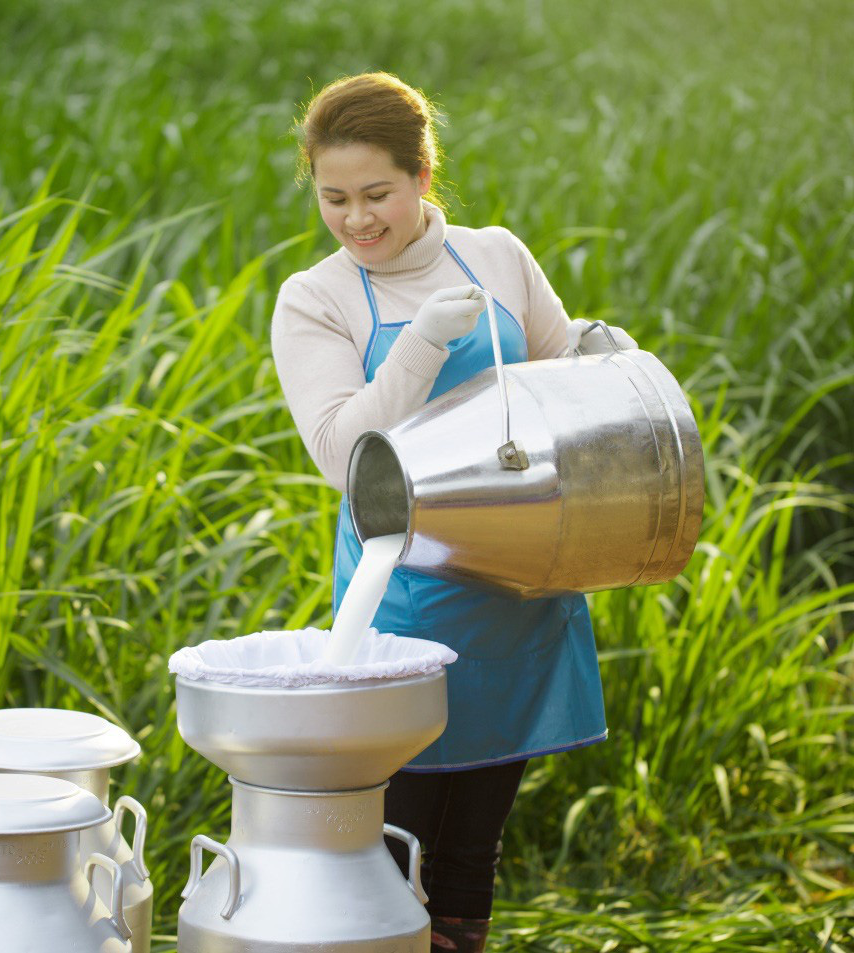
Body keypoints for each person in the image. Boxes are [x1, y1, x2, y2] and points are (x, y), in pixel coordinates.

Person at [270, 72, 638, 953]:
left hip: (515, 586)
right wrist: (423, 343)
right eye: (334, 198)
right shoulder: (314, 299)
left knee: (475, 845)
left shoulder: (497, 255)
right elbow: (340, 456)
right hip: (403, 598)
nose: (357, 220)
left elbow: (561, 380)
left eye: (376, 194)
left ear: (423, 175)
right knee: (392, 846)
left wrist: (599, 351)